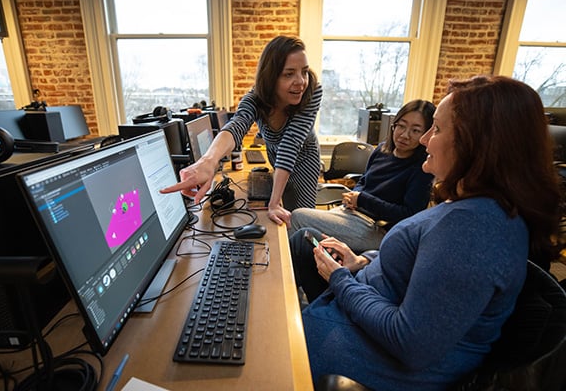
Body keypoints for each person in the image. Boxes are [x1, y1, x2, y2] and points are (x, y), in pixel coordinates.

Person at [290, 75, 562, 390]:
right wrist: (364, 262)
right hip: (351, 324)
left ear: (477, 143)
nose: (424, 140)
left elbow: (410, 343)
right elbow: (426, 269)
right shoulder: (474, 208)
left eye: (437, 129)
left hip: (368, 363)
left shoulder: (475, 230)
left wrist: (341, 280)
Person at [160, 35, 322, 226]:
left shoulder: (312, 91)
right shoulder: (255, 99)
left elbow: (291, 143)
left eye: (304, 71)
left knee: (301, 220)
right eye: (289, 74)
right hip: (277, 159)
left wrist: (273, 202)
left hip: (304, 160)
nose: (301, 81)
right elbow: (237, 125)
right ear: (271, 77)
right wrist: (209, 160)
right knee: (281, 218)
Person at [289, 99, 435, 252]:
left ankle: (283, 272)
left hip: (376, 228)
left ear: (427, 134)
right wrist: (354, 197)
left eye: (416, 130)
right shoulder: (381, 150)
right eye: (401, 126)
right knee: (304, 236)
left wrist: (363, 200)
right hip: (352, 213)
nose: (405, 135)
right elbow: (364, 181)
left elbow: (408, 214)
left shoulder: (422, 169)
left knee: (298, 217)